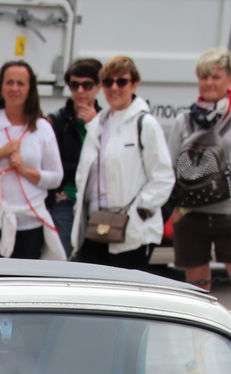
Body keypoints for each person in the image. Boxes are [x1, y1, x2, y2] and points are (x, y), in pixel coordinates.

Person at [168, 47, 231, 352]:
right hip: (193, 216)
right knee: (198, 293)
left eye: (215, 76)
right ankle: (199, 358)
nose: (209, 82)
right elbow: (172, 165)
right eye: (203, 76)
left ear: (229, 79)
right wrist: (177, 209)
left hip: (230, 215)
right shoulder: (184, 120)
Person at [69, 54, 172, 272]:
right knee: (93, 294)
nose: (114, 88)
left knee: (126, 294)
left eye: (122, 82)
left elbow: (163, 176)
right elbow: (84, 175)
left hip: (131, 227)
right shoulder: (98, 124)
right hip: (96, 225)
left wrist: (142, 211)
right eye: (108, 82)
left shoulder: (145, 123)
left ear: (134, 84)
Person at [0, 60, 62, 259]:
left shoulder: (42, 128)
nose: (14, 88)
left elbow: (56, 177)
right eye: (9, 83)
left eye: (20, 83)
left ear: (30, 90)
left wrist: (25, 170)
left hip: (29, 222)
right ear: (0, 88)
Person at [47, 57, 101, 255]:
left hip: (96, 202)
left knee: (92, 259)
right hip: (66, 198)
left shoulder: (105, 120)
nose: (80, 91)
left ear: (98, 87)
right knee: (64, 257)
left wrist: (94, 125)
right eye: (74, 85)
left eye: (86, 85)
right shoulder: (58, 120)